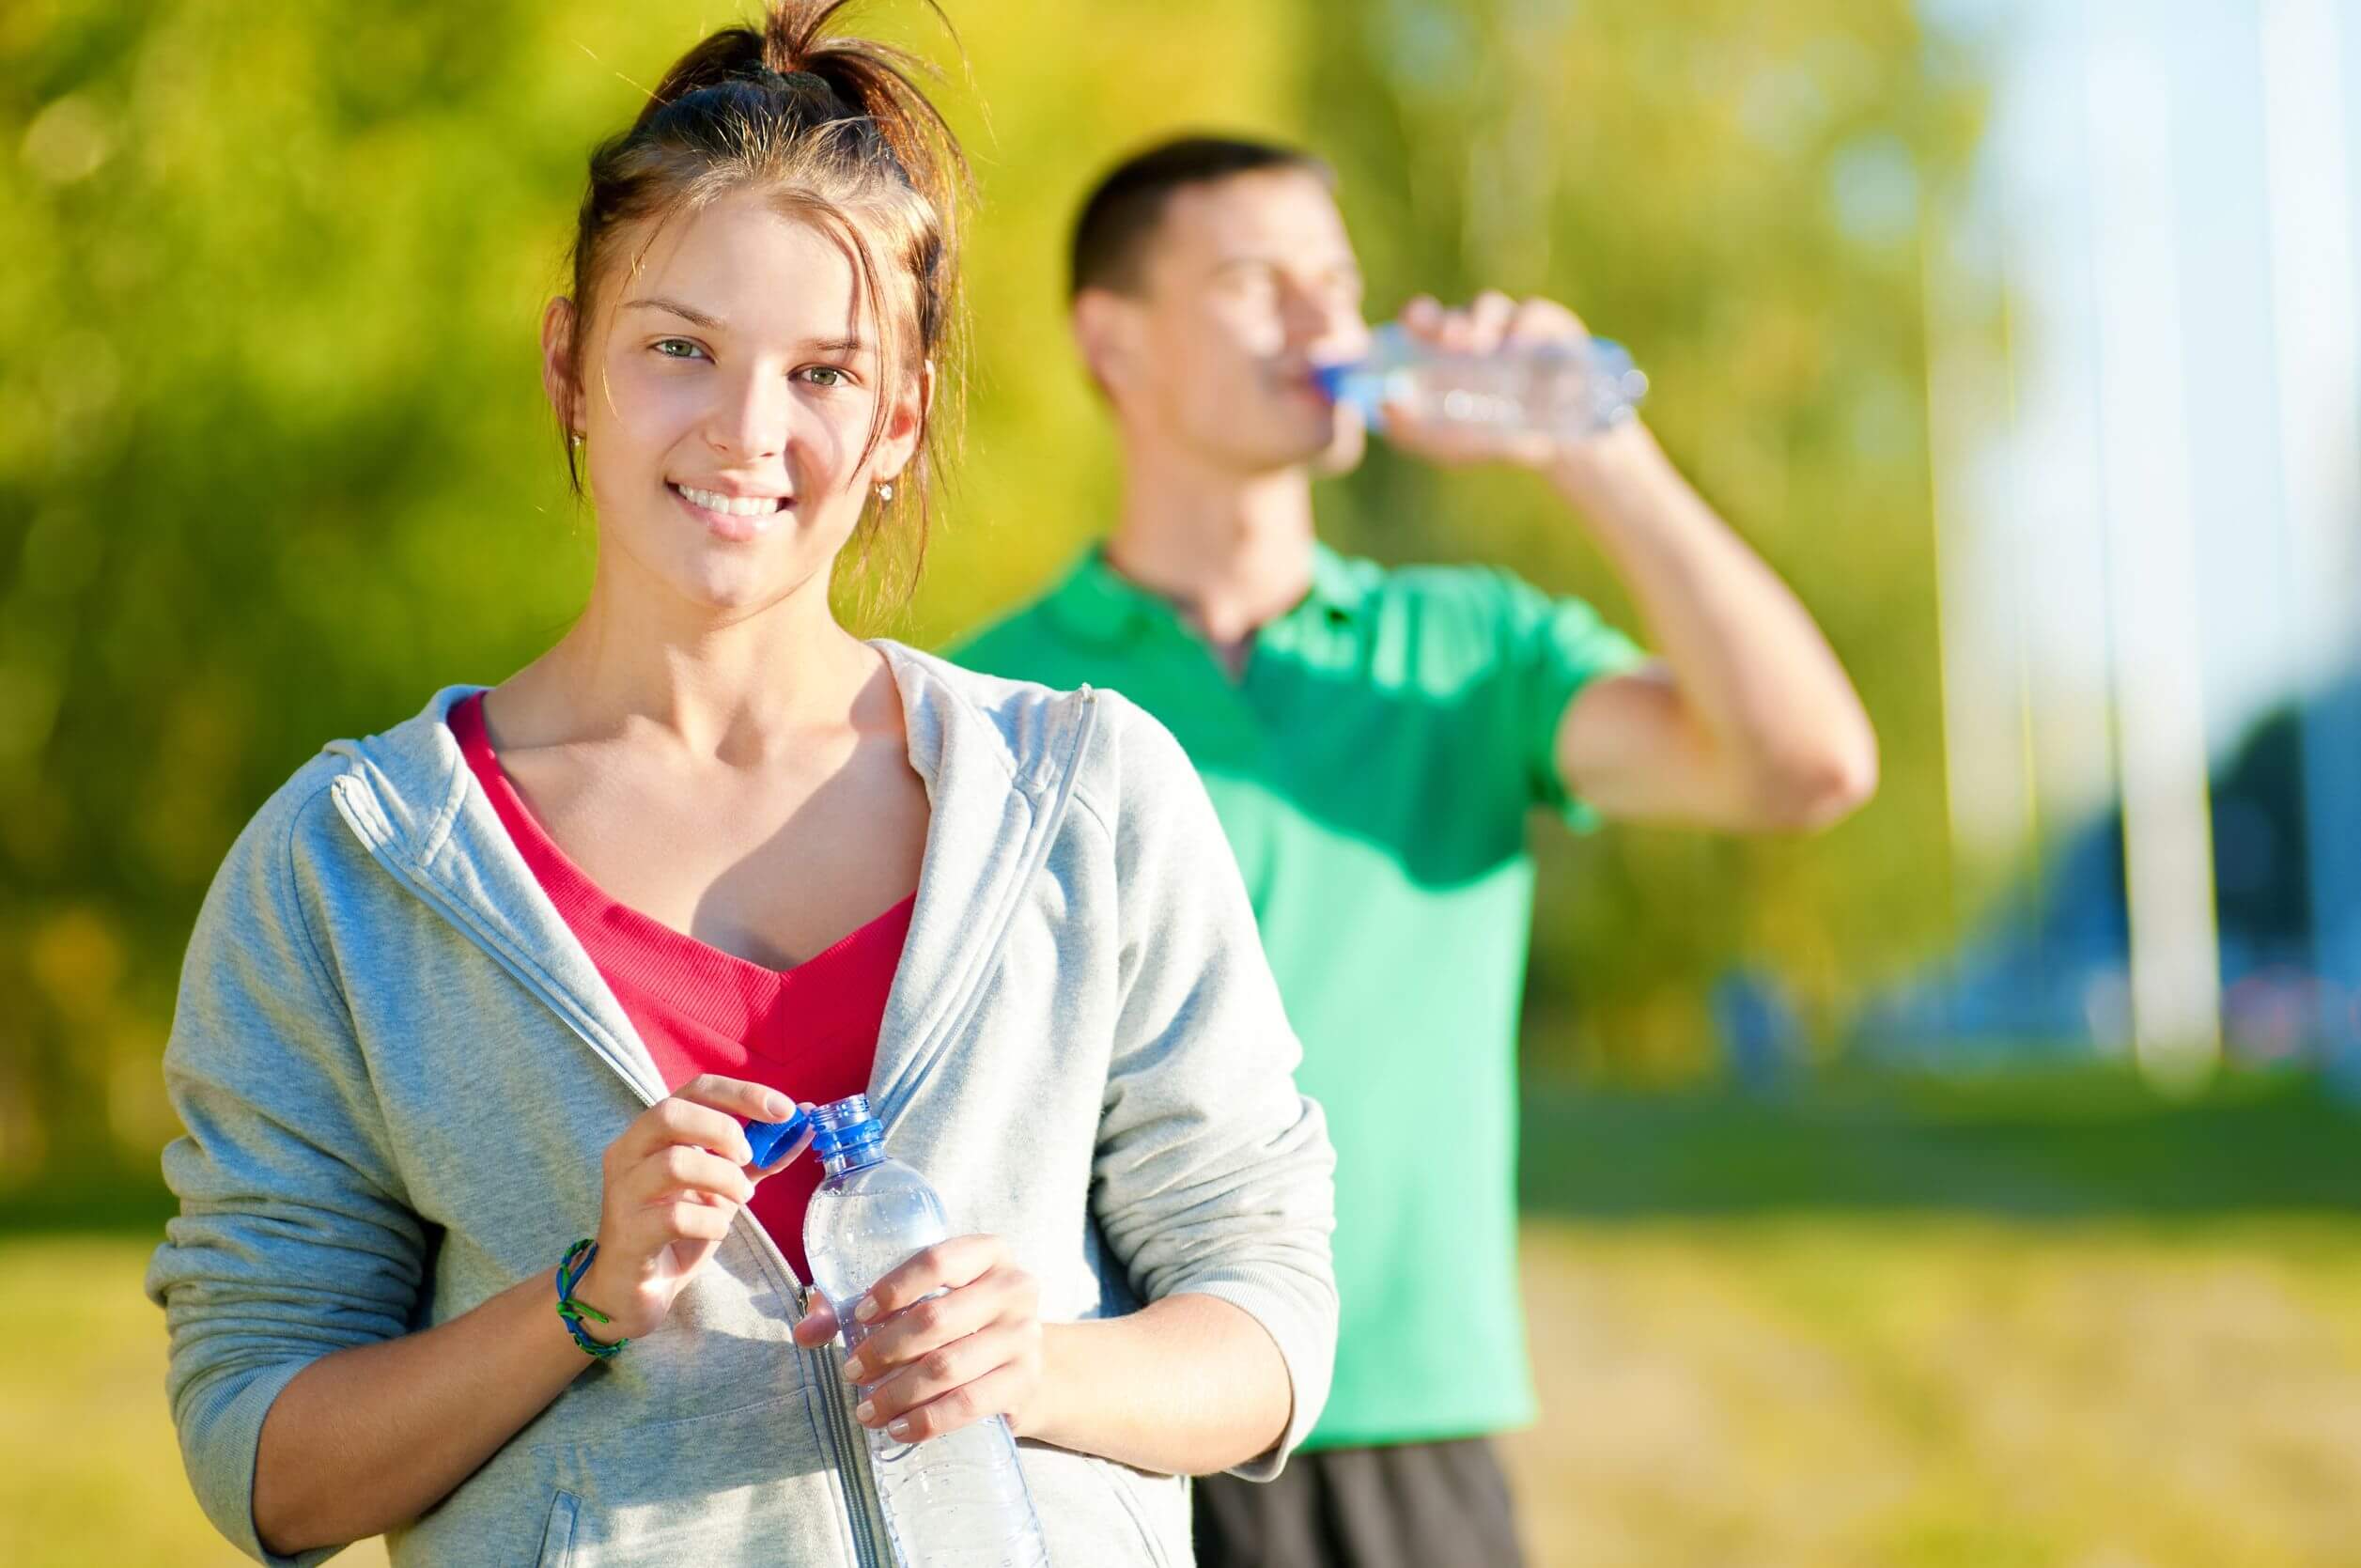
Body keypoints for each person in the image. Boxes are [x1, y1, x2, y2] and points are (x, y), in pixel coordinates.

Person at [145, 26, 1336, 1568]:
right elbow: (262, 1457)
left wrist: (1038, 1361)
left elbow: (1272, 1321)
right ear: (571, 363)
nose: (746, 432)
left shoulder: (1090, 797)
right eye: (679, 348)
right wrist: (579, 1301)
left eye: (824, 373)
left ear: (898, 423)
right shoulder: (346, 867)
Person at [951, 135, 1878, 1568]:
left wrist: (1591, 443)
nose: (1326, 325)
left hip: (1405, 1440)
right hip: (1092, 1427)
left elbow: (1806, 761)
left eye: (1340, 283)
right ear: (1110, 340)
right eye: (1260, 285)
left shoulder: (1466, 653)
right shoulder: (981, 706)